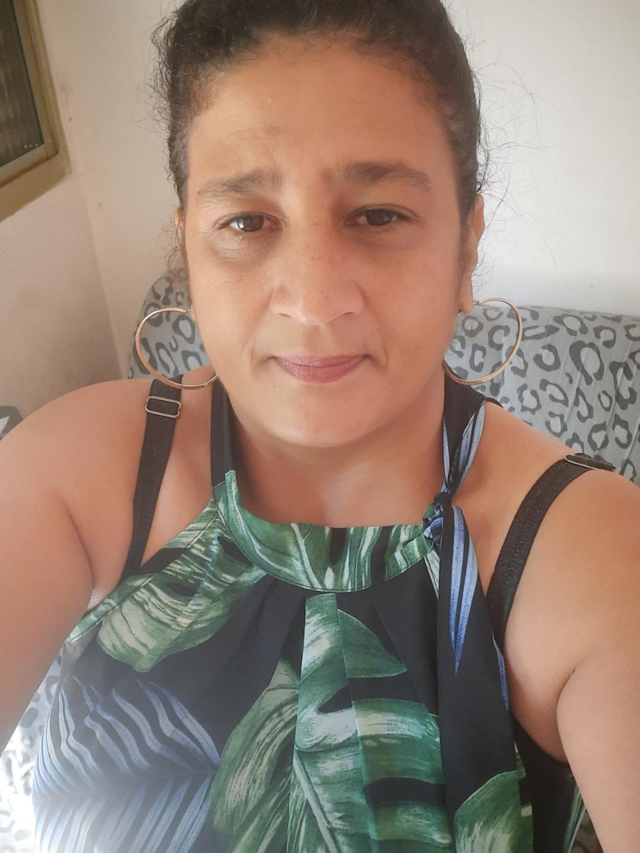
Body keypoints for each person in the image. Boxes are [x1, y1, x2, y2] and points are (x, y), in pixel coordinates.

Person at [1, 0, 638, 850]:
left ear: (466, 244)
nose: (312, 299)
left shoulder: (589, 552)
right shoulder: (73, 473)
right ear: (188, 249)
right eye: (246, 222)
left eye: (378, 214)